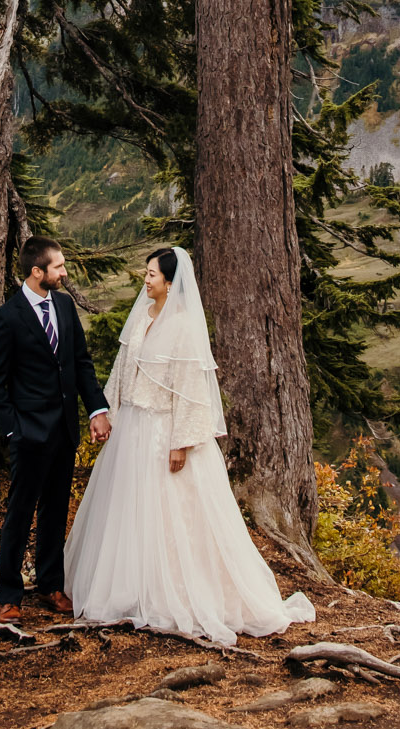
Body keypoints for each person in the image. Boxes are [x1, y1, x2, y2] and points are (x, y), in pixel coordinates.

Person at [64, 245, 316, 646]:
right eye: (146, 274)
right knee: (129, 509)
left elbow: (190, 390)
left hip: (165, 432)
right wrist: (108, 411)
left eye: (151, 275)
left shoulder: (183, 327)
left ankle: (176, 594)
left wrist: (181, 442)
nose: (145, 280)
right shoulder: (140, 318)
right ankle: (130, 587)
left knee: (172, 515)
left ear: (169, 282)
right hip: (132, 429)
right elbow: (123, 369)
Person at [0, 236, 111, 620]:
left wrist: (96, 410)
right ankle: (8, 594)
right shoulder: (7, 317)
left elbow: (80, 363)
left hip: (64, 432)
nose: (64, 272)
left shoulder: (66, 306)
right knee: (19, 514)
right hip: (28, 434)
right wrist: (13, 431)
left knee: (56, 512)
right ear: (37, 272)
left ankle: (51, 585)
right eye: (58, 267)